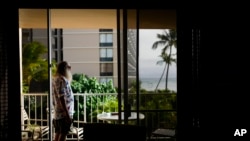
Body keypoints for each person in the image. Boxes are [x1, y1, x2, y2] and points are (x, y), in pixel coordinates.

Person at [52, 61, 74, 141]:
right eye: (69, 67)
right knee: (63, 134)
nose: (70, 69)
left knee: (58, 133)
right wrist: (67, 114)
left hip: (58, 113)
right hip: (63, 114)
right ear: (64, 69)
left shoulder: (56, 79)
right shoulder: (62, 80)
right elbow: (62, 97)